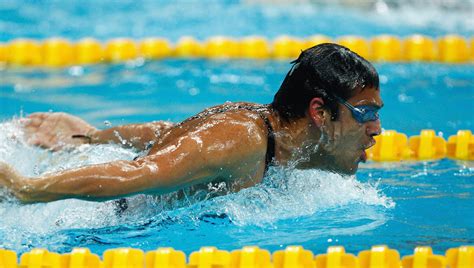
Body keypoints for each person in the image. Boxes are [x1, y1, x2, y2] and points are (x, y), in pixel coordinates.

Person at [0, 43, 383, 204]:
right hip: (104, 217)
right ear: (319, 112)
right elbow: (140, 174)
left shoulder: (269, 133)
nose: (376, 129)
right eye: (366, 113)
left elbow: (169, 134)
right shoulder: (241, 139)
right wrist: (26, 189)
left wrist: (89, 137)